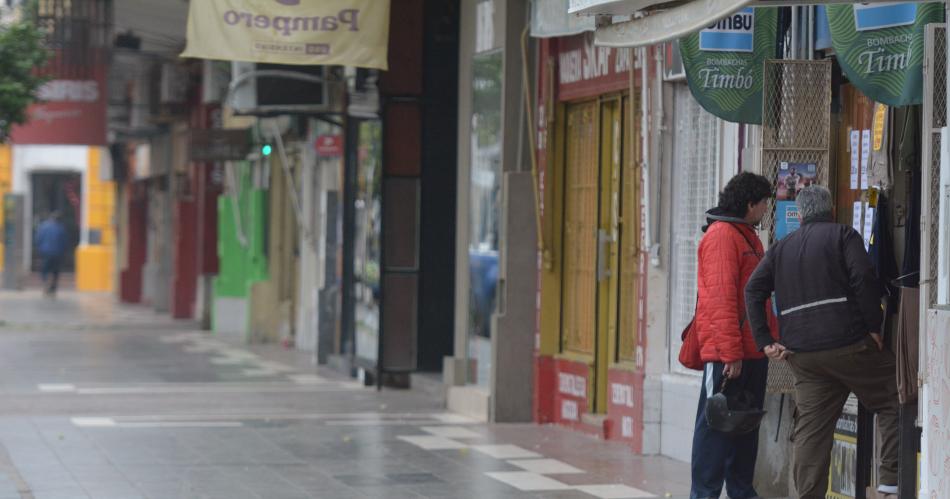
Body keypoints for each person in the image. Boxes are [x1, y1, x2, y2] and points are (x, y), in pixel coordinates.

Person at [745, 186, 898, 499]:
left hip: (803, 356)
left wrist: (765, 340)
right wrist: (874, 326)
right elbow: (863, 278)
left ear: (800, 215)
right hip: (849, 345)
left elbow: (753, 290)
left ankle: (808, 495)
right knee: (895, 395)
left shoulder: (780, 248)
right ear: (832, 210)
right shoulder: (844, 235)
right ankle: (890, 482)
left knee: (812, 432)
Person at [690, 172, 777, 499]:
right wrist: (730, 353)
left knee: (744, 428)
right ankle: (704, 494)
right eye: (764, 202)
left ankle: (742, 493)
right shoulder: (722, 236)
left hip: (751, 351)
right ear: (750, 203)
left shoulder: (746, 235)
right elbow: (721, 299)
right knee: (715, 429)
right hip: (729, 355)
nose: (766, 208)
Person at [35, 211, 68, 296]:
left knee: (45, 270)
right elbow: (64, 242)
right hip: (57, 253)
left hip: (45, 252)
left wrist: (39, 250)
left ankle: (45, 285)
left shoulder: (43, 227)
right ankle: (53, 287)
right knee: (55, 271)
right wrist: (64, 252)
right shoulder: (61, 228)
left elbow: (38, 239)